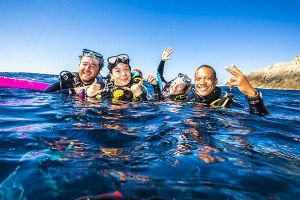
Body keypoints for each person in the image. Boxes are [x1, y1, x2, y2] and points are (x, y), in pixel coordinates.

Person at [193, 64, 268, 115]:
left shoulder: (227, 104)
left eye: (208, 78)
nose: (202, 82)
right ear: (194, 81)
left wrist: (252, 94)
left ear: (215, 81)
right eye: (198, 79)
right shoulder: (189, 100)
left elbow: (259, 120)